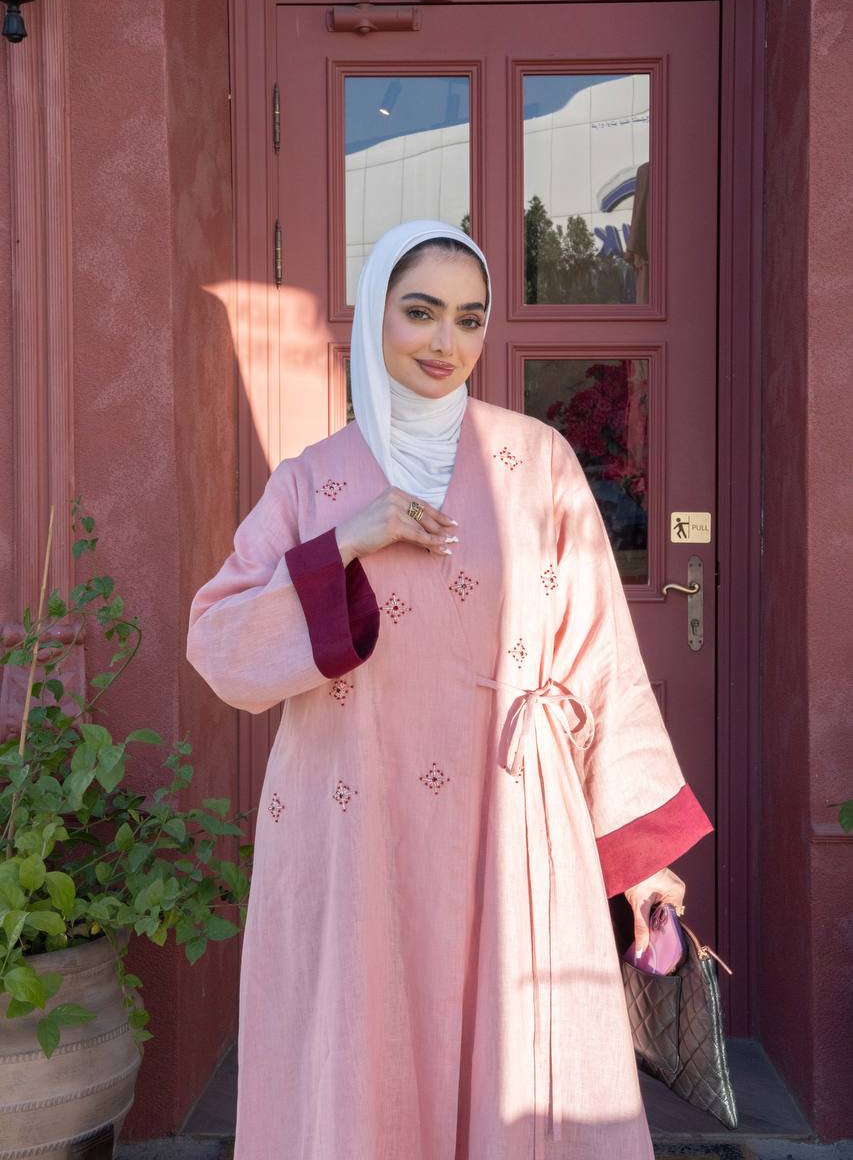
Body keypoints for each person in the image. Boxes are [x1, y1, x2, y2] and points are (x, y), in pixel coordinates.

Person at [185, 218, 714, 1160]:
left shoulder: (537, 461)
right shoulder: (313, 483)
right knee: (365, 1055)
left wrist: (639, 858)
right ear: (373, 315)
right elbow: (222, 646)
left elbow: (599, 659)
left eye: (469, 320)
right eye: (419, 312)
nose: (444, 343)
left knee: (512, 1059)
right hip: (355, 822)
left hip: (510, 824)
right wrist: (346, 538)